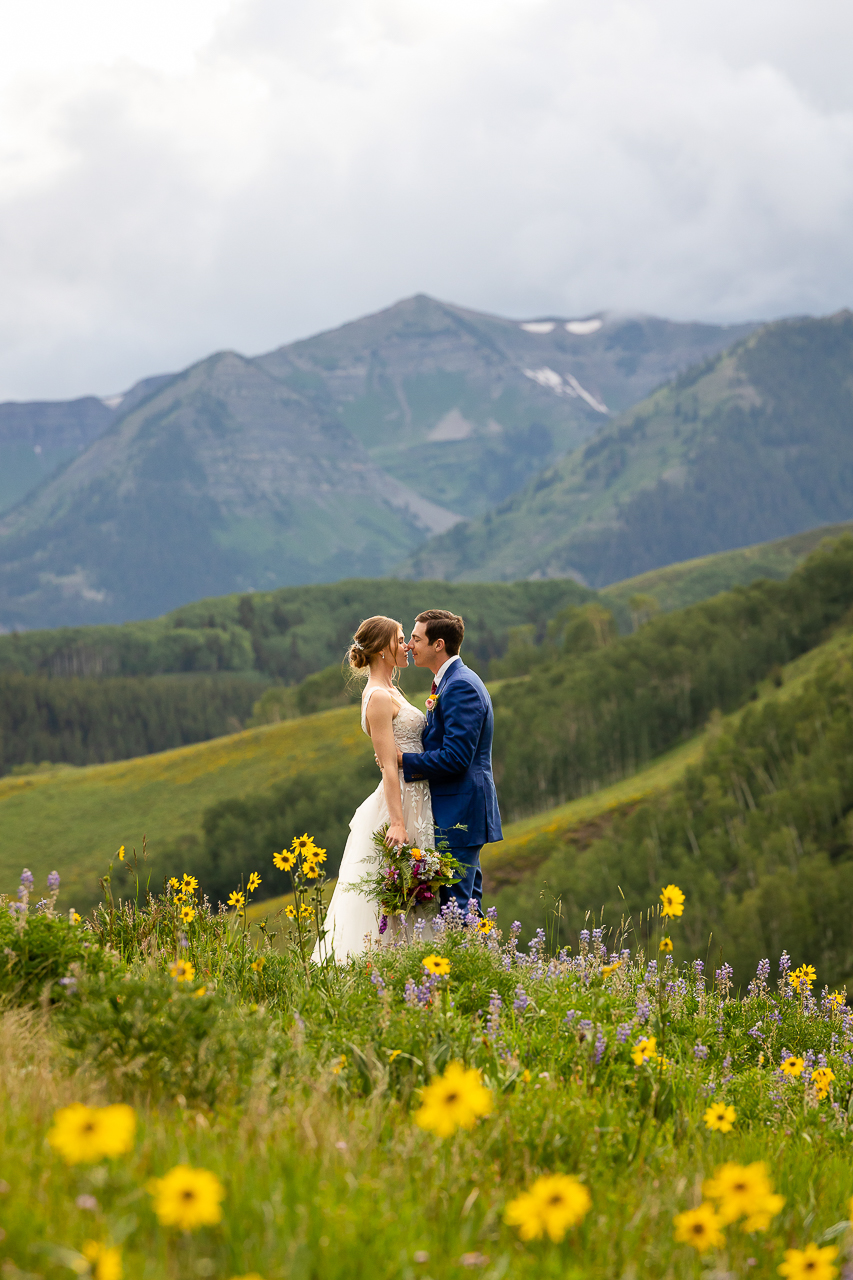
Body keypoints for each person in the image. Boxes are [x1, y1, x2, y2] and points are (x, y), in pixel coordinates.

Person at [312, 615, 435, 962]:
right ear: (383, 650)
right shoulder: (378, 697)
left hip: (419, 794)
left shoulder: (392, 689)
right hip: (402, 801)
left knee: (416, 893)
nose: (407, 646)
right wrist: (397, 822)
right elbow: (387, 766)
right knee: (398, 895)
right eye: (400, 639)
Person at [399, 609, 502, 917]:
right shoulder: (449, 682)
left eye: (416, 639)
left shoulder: (460, 686)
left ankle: (467, 965)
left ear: (438, 644)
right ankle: (483, 964)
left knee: (455, 910)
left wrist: (402, 760)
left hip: (460, 812)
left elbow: (456, 758)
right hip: (456, 810)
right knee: (466, 908)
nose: (410, 645)